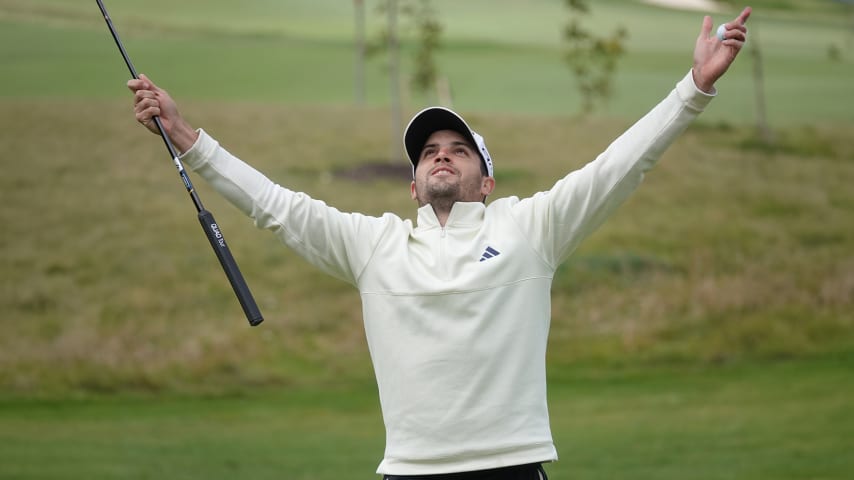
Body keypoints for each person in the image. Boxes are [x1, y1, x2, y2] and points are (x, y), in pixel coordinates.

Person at [128, 8, 751, 479]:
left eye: (458, 150)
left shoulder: (530, 228)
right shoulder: (374, 245)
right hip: (411, 468)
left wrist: (692, 89)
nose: (441, 158)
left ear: (487, 179)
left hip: (514, 462)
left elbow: (619, 167)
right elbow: (277, 208)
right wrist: (184, 133)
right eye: (429, 153)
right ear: (413, 184)